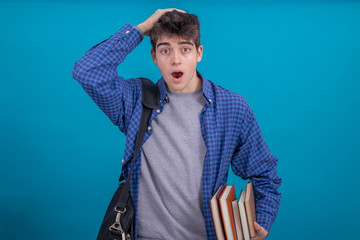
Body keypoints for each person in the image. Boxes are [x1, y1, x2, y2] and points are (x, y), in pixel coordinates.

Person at [72, 8, 281, 240]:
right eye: (165, 50)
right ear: (153, 56)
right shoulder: (135, 101)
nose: (175, 59)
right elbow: (87, 71)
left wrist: (260, 221)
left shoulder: (232, 108)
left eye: (185, 49)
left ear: (199, 53)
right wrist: (140, 29)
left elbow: (265, 174)